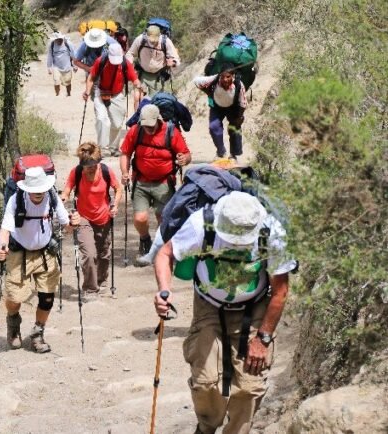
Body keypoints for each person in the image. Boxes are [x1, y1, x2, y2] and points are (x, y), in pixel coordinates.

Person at [153, 191, 298, 434]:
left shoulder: (272, 233)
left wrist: (263, 339)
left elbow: (280, 291)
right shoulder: (202, 223)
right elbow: (166, 254)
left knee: (249, 387)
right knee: (205, 381)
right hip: (208, 305)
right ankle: (206, 427)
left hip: (255, 307)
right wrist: (163, 291)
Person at [0, 167, 80, 353]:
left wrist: (74, 222)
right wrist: (2, 248)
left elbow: (67, 226)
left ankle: (37, 333)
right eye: (34, 190)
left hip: (45, 252)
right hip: (19, 253)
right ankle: (13, 322)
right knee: (14, 298)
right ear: (27, 189)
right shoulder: (15, 200)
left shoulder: (52, 197)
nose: (39, 193)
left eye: (41, 189)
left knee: (47, 297)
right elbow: (5, 230)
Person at [119, 104, 191, 262]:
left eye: (151, 126)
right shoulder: (135, 131)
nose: (148, 129)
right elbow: (125, 153)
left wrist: (184, 159)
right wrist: (125, 172)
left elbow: (186, 154)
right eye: (145, 126)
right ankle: (145, 241)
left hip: (164, 182)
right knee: (140, 218)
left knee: (163, 219)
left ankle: (160, 251)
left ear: (158, 120)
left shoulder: (171, 131)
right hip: (141, 181)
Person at [60, 142, 122, 299]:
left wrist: (115, 205)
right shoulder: (77, 172)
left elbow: (118, 188)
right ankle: (90, 289)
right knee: (89, 254)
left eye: (93, 165)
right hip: (83, 218)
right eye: (87, 166)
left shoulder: (106, 171)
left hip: (104, 217)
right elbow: (68, 187)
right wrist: (64, 197)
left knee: (104, 254)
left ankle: (102, 282)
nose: (90, 168)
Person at [83, 43, 141, 157]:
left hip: (117, 94)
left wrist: (138, 86)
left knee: (117, 123)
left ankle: (113, 148)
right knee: (102, 119)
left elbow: (134, 79)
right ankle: (103, 148)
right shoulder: (101, 61)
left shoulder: (125, 64)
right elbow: (91, 77)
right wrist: (87, 91)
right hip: (100, 93)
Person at [194, 62, 247, 159]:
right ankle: (221, 151)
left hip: (233, 107)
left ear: (233, 76)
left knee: (234, 129)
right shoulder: (214, 80)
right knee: (214, 127)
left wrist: (239, 117)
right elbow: (196, 81)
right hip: (217, 107)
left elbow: (243, 103)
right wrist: (208, 92)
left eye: (228, 77)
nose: (225, 80)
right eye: (222, 77)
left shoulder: (239, 85)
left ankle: (233, 155)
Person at [126, 25, 180, 97]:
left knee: (155, 100)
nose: (153, 42)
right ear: (147, 36)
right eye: (151, 40)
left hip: (158, 75)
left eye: (155, 40)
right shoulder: (140, 40)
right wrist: (129, 63)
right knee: (137, 97)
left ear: (159, 36)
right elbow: (130, 53)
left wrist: (173, 63)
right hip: (142, 73)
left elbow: (177, 59)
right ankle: (138, 108)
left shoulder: (166, 42)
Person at [46, 31, 77, 97]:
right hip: (56, 67)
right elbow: (50, 55)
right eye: (57, 40)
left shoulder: (68, 44)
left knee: (67, 82)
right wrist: (49, 67)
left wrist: (75, 65)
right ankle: (57, 94)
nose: (59, 41)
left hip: (67, 67)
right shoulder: (52, 45)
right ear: (55, 40)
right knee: (56, 82)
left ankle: (68, 93)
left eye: (60, 39)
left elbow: (73, 55)